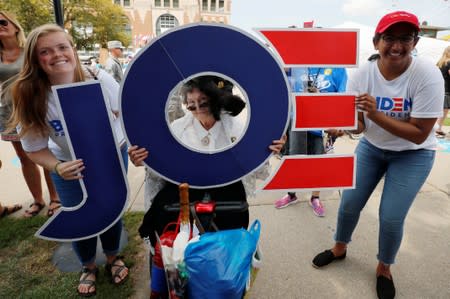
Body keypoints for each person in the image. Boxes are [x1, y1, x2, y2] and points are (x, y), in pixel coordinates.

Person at [311, 11, 444, 299]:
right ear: (376, 42)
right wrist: (342, 129)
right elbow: (359, 123)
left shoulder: (428, 74)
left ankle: (384, 267)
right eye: (389, 38)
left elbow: (419, 133)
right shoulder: (362, 74)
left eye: (405, 38)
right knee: (348, 204)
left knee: (391, 217)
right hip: (372, 147)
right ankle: (340, 247)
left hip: (413, 154)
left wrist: (375, 113)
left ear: (415, 41)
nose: (397, 46)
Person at [128, 75, 285, 298]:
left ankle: (221, 285)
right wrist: (144, 159)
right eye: (192, 104)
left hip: (227, 203)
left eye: (204, 102)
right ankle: (178, 289)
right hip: (181, 203)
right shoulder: (177, 129)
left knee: (222, 261)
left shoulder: (239, 129)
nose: (198, 109)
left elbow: (258, 171)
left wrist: (268, 150)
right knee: (176, 256)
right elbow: (159, 171)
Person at [8, 24, 129, 297]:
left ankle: (113, 257)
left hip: (111, 155)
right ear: (35, 60)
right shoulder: (31, 94)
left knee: (112, 211)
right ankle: (88, 266)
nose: (57, 55)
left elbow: (126, 112)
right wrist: (57, 167)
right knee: (80, 218)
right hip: (68, 164)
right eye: (45, 52)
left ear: (72, 50)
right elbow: (34, 148)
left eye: (63, 47)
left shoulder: (98, 78)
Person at [0, 11, 60, 217]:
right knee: (24, 157)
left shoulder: (30, 51)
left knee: (44, 152)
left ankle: (55, 198)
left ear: (15, 26)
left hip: (34, 109)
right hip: (8, 113)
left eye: (3, 21)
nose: (0, 26)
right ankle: (37, 200)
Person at [274, 66, 347, 217]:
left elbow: (343, 99)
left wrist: (321, 100)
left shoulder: (338, 69)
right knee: (293, 161)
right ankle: (291, 194)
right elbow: (281, 86)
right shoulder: (297, 65)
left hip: (323, 126)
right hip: (298, 121)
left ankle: (315, 197)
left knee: (319, 164)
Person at [435, 45, 450, 138]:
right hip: (447, 90)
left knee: (442, 111)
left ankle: (438, 128)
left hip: (441, 89)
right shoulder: (449, 62)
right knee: (444, 111)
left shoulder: (440, 62)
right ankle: (437, 129)